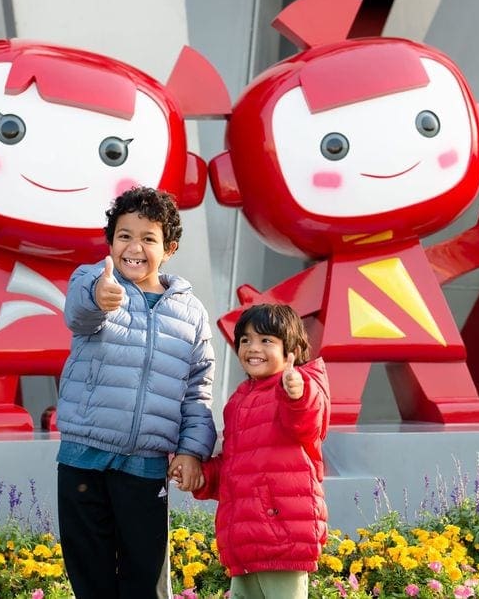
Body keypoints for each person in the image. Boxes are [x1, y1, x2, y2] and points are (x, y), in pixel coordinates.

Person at [56, 186, 217, 598]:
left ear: (169, 248)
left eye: (149, 238)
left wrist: (191, 450)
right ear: (110, 242)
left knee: (145, 578)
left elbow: (198, 389)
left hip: (145, 465)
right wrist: (98, 297)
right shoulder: (94, 281)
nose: (135, 247)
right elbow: (78, 311)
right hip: (83, 459)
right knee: (89, 574)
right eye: (124, 236)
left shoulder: (190, 312)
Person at [185, 303, 330, 599]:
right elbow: (234, 466)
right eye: (246, 340)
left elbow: (308, 419)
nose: (253, 348)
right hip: (245, 542)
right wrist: (203, 476)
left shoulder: (300, 386)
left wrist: (297, 390)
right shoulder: (239, 400)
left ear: (292, 350)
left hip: (282, 537)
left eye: (266, 340)